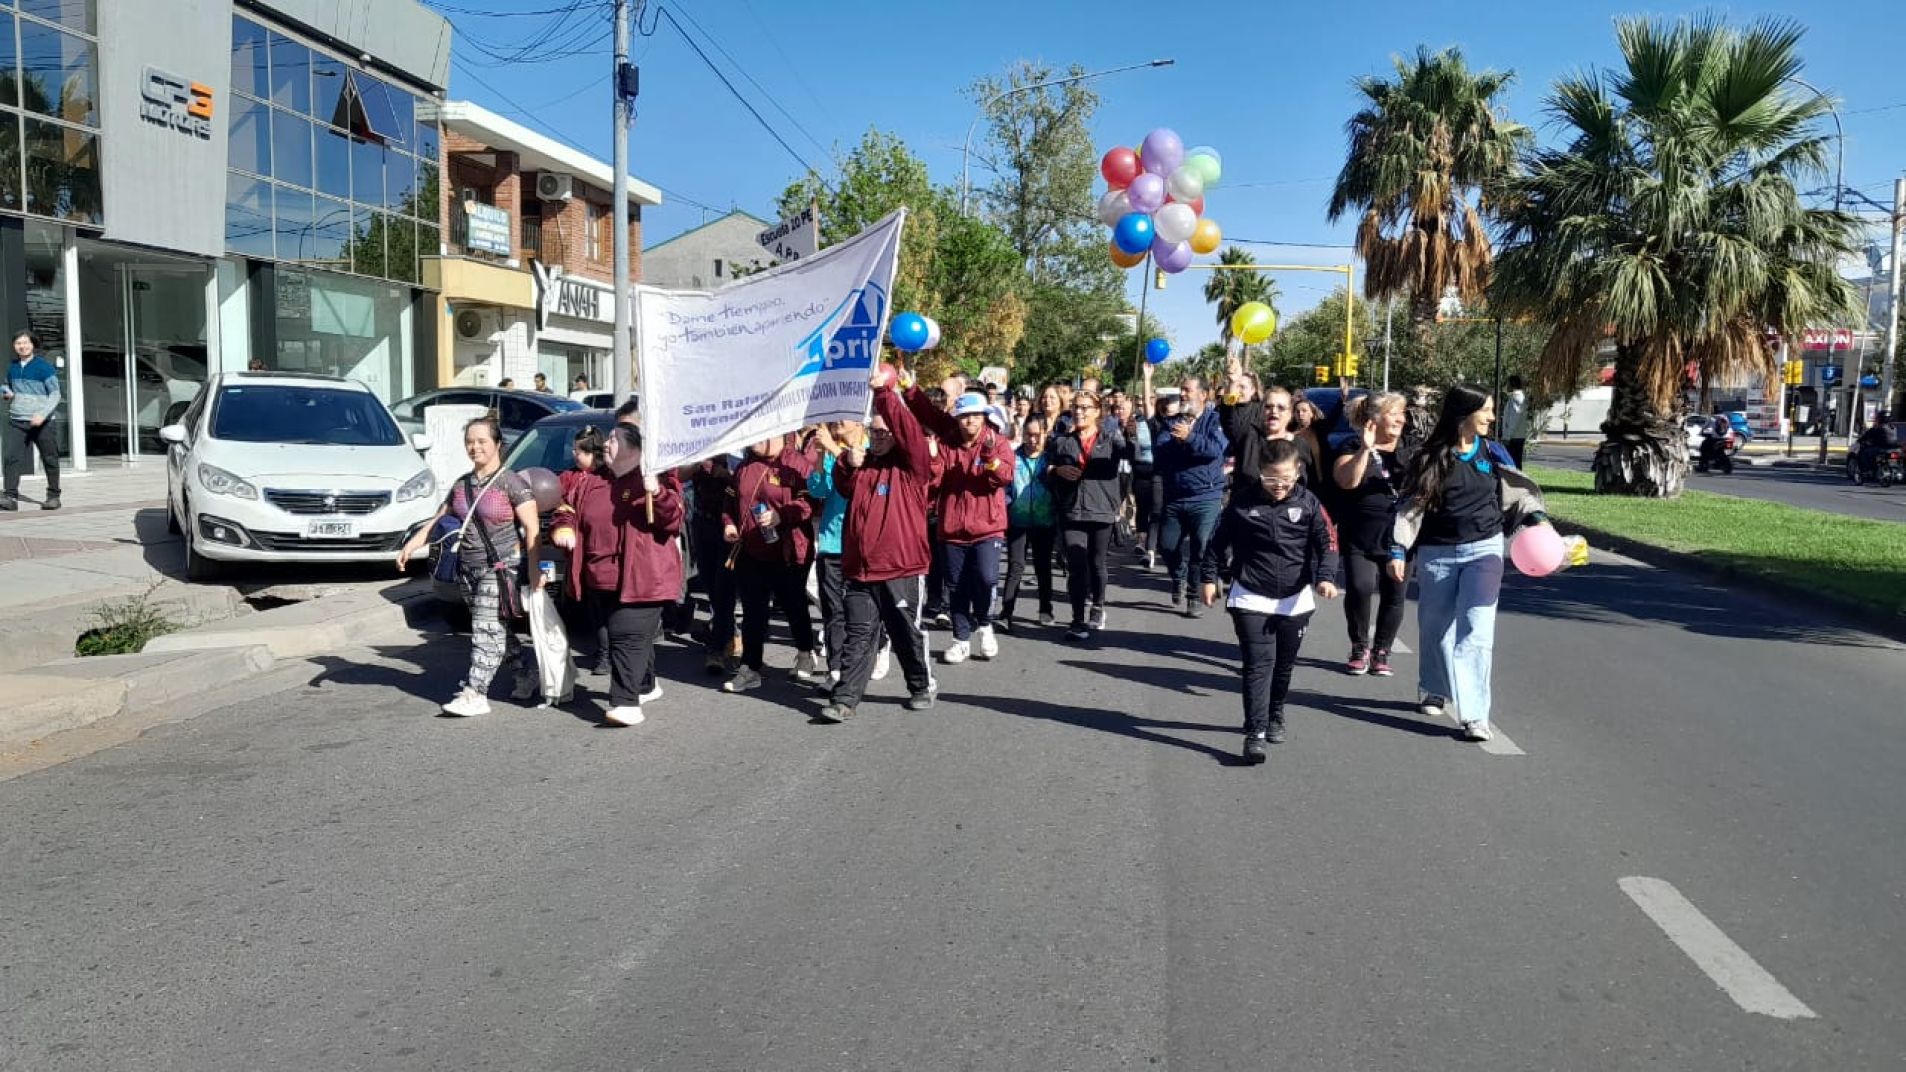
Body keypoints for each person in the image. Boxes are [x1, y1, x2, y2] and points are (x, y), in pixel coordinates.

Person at [1388, 385, 1550, 742]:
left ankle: (1475, 715)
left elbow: (1517, 495)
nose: (1492, 418)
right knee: (1435, 628)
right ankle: (1434, 686)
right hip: (1437, 554)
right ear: (1464, 413)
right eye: (1487, 410)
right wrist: (1398, 550)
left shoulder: (1493, 453)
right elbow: (1409, 509)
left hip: (1485, 550)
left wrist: (1538, 522)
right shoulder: (1429, 456)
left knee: (1476, 632)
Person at [1202, 440, 1342, 763]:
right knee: (1257, 664)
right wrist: (1209, 578)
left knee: (1283, 665)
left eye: (1286, 479)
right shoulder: (1241, 504)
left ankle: (1276, 710)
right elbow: (1216, 543)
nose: (1279, 486)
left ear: (1297, 473)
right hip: (1251, 594)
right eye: (1271, 479)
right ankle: (1255, 732)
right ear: (1259, 473)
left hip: (1295, 598)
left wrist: (1325, 576)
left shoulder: (1309, 503)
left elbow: (1328, 541)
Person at [817, 362, 939, 723]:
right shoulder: (864, 464)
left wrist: (884, 393)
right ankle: (845, 699)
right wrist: (846, 463)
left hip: (901, 567)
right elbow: (842, 486)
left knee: (904, 632)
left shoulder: (913, 466)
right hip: (861, 569)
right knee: (859, 635)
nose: (881, 437)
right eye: (876, 432)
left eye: (886, 432)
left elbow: (907, 428)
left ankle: (921, 684)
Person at [398, 416, 539, 717]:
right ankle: (526, 672)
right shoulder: (463, 485)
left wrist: (536, 570)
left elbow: (532, 530)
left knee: (485, 628)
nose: (475, 448)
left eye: (482, 441)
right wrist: (413, 544)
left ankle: (475, 693)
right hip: (467, 568)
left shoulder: (512, 484)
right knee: (494, 627)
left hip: (501, 568)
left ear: (498, 444)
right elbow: (439, 518)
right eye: (469, 442)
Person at [547, 424, 681, 726]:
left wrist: (656, 491)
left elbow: (672, 518)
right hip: (598, 577)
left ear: (634, 448)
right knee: (614, 631)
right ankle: (646, 684)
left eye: (613, 439)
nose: (605, 444)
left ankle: (625, 703)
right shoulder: (590, 480)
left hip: (644, 577)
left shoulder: (657, 477)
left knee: (626, 634)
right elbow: (564, 507)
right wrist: (563, 526)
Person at [909, 388, 1014, 664]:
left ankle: (984, 623)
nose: (969, 422)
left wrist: (990, 458)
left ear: (984, 417)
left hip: (987, 526)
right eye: (964, 416)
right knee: (956, 586)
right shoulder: (947, 443)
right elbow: (934, 483)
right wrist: (932, 459)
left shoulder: (997, 442)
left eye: (975, 416)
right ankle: (961, 639)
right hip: (952, 528)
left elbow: (1004, 477)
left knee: (986, 578)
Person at [724, 434, 825, 692]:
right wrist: (730, 524)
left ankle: (804, 652)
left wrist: (783, 515)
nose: (751, 440)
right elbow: (729, 501)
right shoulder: (745, 464)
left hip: (788, 551)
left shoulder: (796, 464)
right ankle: (750, 667)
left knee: (794, 606)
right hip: (750, 550)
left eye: (758, 434)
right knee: (753, 612)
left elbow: (809, 502)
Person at [1332, 392, 1412, 677]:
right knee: (1360, 587)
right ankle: (1359, 646)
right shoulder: (1351, 445)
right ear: (1374, 420)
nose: (1401, 419)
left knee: (1394, 594)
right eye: (1394, 413)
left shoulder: (1410, 450)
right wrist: (1365, 450)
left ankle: (1382, 651)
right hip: (1359, 535)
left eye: (1403, 413)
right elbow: (1346, 481)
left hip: (1400, 538)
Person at [809, 420, 891, 685]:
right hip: (831, 543)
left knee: (864, 609)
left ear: (859, 421)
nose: (837, 421)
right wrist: (821, 454)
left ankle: (879, 646)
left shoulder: (873, 450)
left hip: (863, 544)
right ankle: (836, 669)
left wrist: (833, 448)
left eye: (843, 416)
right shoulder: (833, 449)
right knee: (834, 610)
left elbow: (864, 480)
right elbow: (817, 489)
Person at [1045, 391, 1126, 641]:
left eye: (1085, 407)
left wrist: (1133, 427)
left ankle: (1098, 606)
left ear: (1097, 411)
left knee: (1096, 563)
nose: (1079, 412)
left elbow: (1131, 454)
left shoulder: (1111, 438)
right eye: (1075, 407)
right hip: (1072, 511)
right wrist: (1056, 470)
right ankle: (1077, 619)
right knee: (1076, 564)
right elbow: (1044, 470)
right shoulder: (1062, 441)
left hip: (1101, 510)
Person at [1154, 373, 1229, 618]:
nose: (1182, 394)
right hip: (1175, 496)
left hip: (1205, 496)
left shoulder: (1215, 420)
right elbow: (1162, 452)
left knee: (1201, 546)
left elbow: (1215, 451)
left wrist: (1190, 438)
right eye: (1181, 390)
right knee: (1166, 546)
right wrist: (1181, 443)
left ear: (1203, 395)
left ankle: (1193, 596)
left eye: (1187, 390)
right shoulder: (1171, 421)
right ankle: (1179, 576)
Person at [686, 452, 741, 673]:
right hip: (702, 522)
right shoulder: (699, 447)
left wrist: (726, 473)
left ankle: (717, 649)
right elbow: (681, 475)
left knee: (724, 587)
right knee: (709, 582)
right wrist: (698, 461)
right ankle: (731, 633)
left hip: (728, 525)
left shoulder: (736, 451)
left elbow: (746, 481)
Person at [2, 330, 61, 511]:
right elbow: (6, 385)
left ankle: (53, 497)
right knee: (11, 457)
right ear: (14, 346)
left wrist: (42, 414)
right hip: (17, 420)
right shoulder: (12, 367)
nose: (22, 346)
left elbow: (55, 394)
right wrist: (6, 392)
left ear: (33, 345)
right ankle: (10, 497)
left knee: (49, 458)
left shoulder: (44, 367)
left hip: (42, 422)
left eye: (26, 342)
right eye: (18, 343)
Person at [1855, 412, 1899, 480]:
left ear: (1880, 418)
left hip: (1881, 448)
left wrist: (1860, 440)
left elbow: (1868, 435)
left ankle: (1869, 470)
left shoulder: (1879, 427)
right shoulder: (1893, 427)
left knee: (1865, 453)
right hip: (1894, 449)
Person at [1499, 375, 1531, 468]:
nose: (1507, 386)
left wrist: (1508, 437)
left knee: (1512, 464)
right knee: (1515, 463)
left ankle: (1515, 482)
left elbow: (1514, 419)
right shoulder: (1517, 397)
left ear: (1512, 384)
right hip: (1516, 436)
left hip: (1514, 438)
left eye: (1508, 384)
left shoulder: (1516, 398)